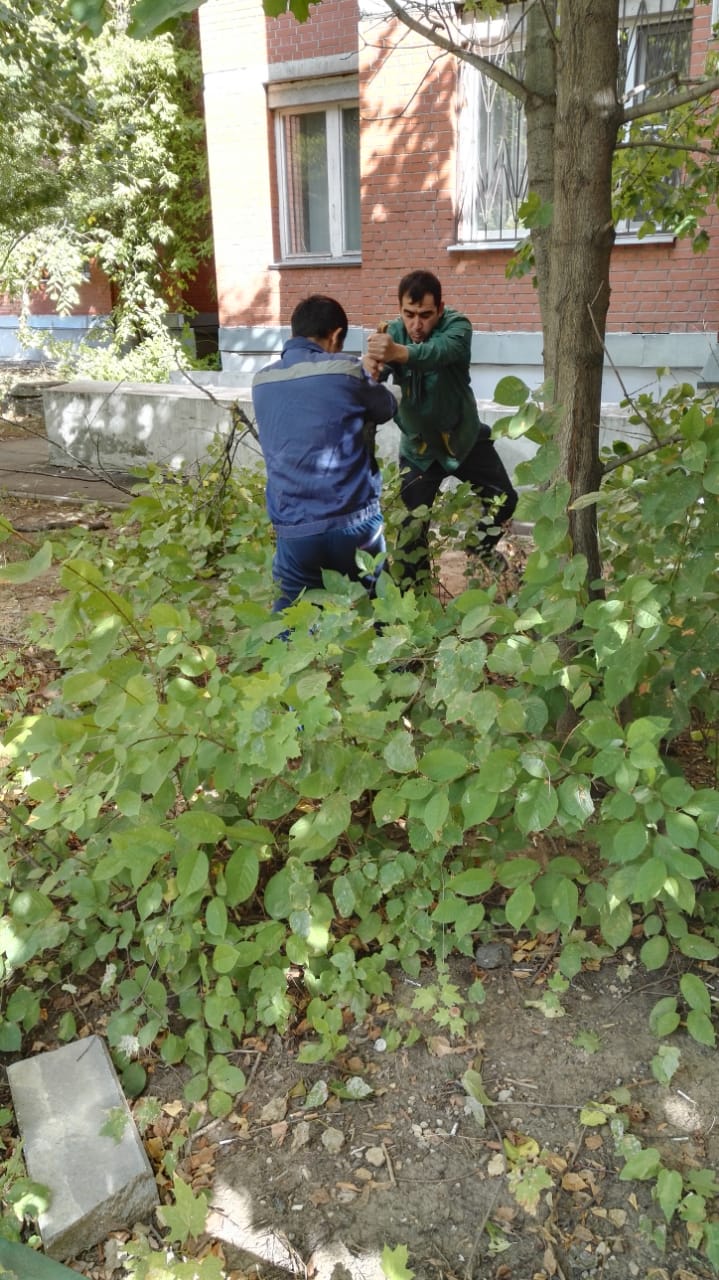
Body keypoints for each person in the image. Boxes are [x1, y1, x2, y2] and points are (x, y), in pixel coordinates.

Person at [366, 269, 518, 583]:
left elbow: (440, 352)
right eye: (409, 314)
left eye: (425, 315)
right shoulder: (392, 332)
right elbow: (379, 380)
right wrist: (373, 367)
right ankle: (415, 601)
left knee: (505, 499)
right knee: (412, 532)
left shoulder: (458, 326)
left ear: (440, 309)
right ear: (400, 309)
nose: (416, 324)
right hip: (420, 449)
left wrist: (398, 352)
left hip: (464, 438)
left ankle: (479, 546)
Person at [252, 294, 401, 612]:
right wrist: (370, 375)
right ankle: (398, 661)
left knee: (292, 616)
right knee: (383, 608)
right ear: (335, 336)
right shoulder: (346, 369)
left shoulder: (261, 380)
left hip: (295, 531)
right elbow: (387, 407)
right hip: (354, 525)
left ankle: (284, 659)